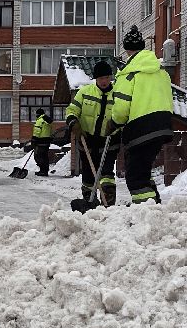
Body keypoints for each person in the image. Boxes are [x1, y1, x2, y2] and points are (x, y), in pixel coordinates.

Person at [109, 26, 174, 204]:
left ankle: (146, 208)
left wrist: (114, 123)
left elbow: (121, 108)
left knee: (135, 175)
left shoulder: (128, 73)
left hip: (141, 127)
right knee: (143, 169)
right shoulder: (160, 72)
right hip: (164, 123)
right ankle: (154, 203)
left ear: (126, 49)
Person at [64, 60, 118, 205]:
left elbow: (123, 114)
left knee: (106, 173)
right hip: (87, 139)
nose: (104, 81)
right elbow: (71, 110)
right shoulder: (85, 92)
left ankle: (108, 202)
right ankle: (89, 201)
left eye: (106, 77)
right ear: (95, 79)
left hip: (109, 141)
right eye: (101, 78)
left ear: (110, 77)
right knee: (88, 173)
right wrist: (73, 123)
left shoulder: (117, 95)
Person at [31, 110, 54, 176]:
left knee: (39, 156)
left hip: (40, 141)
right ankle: (45, 171)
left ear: (38, 114)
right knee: (45, 156)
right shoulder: (47, 121)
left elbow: (37, 131)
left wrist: (34, 140)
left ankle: (42, 171)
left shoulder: (40, 121)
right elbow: (51, 131)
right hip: (47, 141)